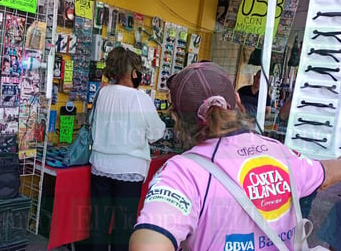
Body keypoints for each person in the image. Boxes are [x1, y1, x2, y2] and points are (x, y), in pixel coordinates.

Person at [129, 62, 341, 251]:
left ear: (175, 117)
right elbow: (327, 172)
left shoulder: (183, 172)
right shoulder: (280, 152)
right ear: (237, 101)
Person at [88, 46, 165, 251]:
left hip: (100, 165)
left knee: (99, 223)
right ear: (133, 72)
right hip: (130, 168)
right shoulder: (141, 99)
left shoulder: (102, 93)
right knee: (123, 226)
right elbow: (157, 132)